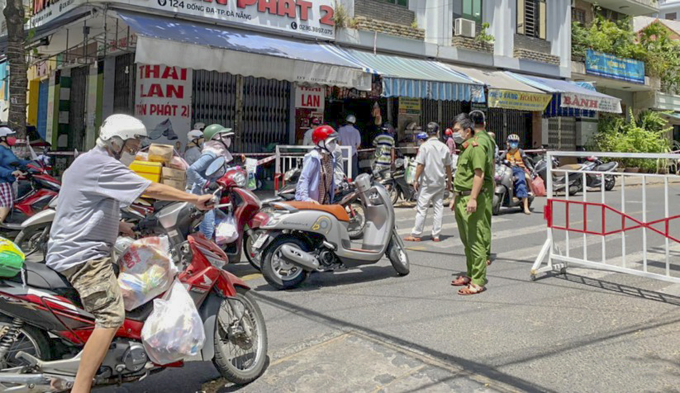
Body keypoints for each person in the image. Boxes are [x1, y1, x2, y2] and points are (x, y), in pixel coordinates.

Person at [45, 114, 213, 393]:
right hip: (83, 257)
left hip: (73, 248)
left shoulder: (87, 161)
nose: (135, 152)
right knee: (111, 315)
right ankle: (81, 387)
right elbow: (150, 188)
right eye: (133, 146)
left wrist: (120, 225)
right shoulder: (102, 165)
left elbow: (87, 201)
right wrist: (194, 198)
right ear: (115, 142)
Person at [449, 114, 491, 295]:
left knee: (475, 241)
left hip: (470, 199)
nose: (454, 133)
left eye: (457, 130)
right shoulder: (465, 148)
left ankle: (478, 281)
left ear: (467, 131)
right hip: (461, 197)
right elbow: (462, 176)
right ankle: (470, 274)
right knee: (467, 240)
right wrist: (455, 197)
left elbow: (479, 174)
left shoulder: (476, 147)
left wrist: (473, 198)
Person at [404, 122, 452, 243]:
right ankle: (436, 235)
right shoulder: (444, 147)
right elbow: (448, 167)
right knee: (438, 208)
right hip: (440, 182)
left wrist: (415, 179)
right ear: (437, 132)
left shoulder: (424, 147)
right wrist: (449, 181)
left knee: (422, 209)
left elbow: (420, 165)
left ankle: (416, 234)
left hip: (427, 183)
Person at [187, 124, 235, 240]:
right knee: (207, 231)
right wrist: (206, 183)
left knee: (223, 222)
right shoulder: (211, 154)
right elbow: (191, 170)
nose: (229, 140)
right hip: (203, 197)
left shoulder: (218, 153)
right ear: (216, 138)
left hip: (211, 197)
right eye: (226, 136)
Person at [296, 125, 338, 204]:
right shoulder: (313, 157)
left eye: (335, 141)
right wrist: (305, 198)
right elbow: (304, 178)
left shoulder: (331, 157)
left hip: (326, 201)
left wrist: (334, 187)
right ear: (321, 142)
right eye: (331, 141)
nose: (334, 144)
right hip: (313, 203)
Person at [0, 127, 30, 223]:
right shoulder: (0, 149)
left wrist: (34, 162)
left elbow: (18, 162)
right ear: (3, 138)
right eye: (10, 136)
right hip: (2, 182)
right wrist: (11, 172)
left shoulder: (7, 150)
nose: (13, 138)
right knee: (7, 203)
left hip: (8, 181)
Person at [505, 134, 532, 215]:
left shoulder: (520, 151)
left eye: (515, 142)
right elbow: (499, 159)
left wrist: (532, 170)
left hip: (519, 170)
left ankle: (526, 207)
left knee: (521, 184)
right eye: (511, 141)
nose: (513, 143)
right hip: (508, 170)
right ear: (508, 142)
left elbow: (526, 162)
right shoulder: (506, 152)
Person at [337, 115, 361, 179]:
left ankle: (342, 184)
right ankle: (354, 185)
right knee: (354, 172)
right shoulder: (356, 131)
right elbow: (358, 145)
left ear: (346, 121)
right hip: (353, 154)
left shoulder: (341, 130)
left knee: (343, 172)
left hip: (343, 153)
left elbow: (339, 143)